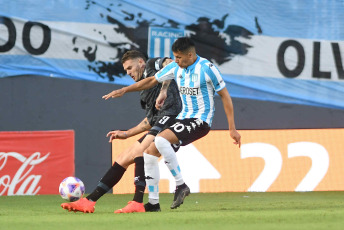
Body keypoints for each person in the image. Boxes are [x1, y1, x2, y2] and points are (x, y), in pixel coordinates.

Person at [103, 37, 241, 209]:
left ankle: (181, 185)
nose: (175, 61)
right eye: (174, 57)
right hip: (183, 117)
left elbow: (225, 96)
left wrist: (232, 128)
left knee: (160, 140)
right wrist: (125, 89)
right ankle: (153, 203)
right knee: (149, 151)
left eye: (179, 57)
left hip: (200, 120)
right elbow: (152, 80)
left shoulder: (207, 69)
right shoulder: (176, 67)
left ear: (190, 55)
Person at [61, 50, 182, 213]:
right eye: (126, 70)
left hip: (174, 121)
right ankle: (89, 201)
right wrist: (126, 134)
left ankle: (137, 202)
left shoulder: (153, 64)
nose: (128, 73)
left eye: (130, 68)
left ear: (140, 62)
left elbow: (171, 64)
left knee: (142, 150)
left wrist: (164, 89)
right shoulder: (144, 91)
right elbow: (149, 121)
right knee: (123, 158)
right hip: (159, 124)